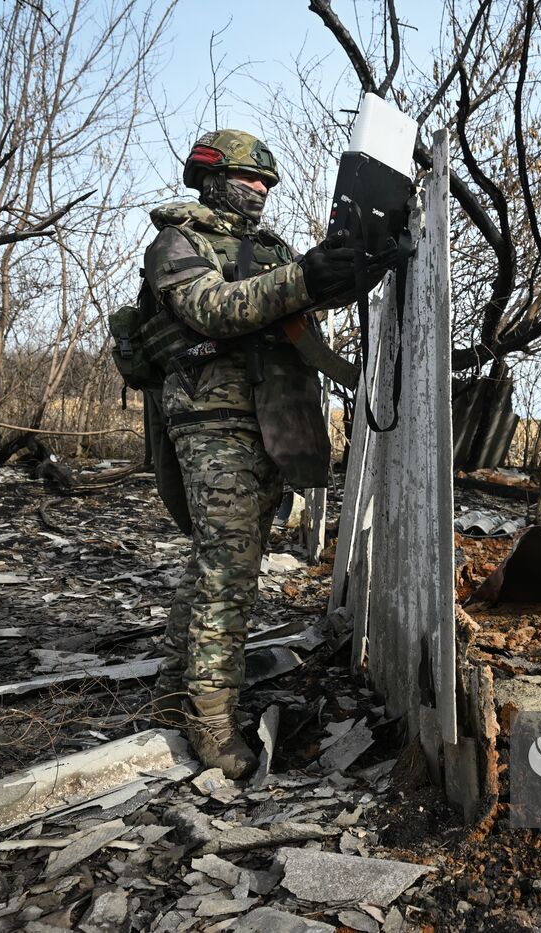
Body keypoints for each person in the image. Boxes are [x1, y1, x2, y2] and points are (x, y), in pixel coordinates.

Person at [144, 129, 372, 778]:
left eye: (268, 182)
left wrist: (347, 267)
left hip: (270, 421)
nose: (262, 190)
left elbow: (302, 312)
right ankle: (212, 726)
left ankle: (169, 699)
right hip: (214, 421)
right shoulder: (178, 242)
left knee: (212, 566)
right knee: (231, 575)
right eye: (250, 178)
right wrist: (306, 276)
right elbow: (214, 309)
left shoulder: (269, 251)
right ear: (211, 176)